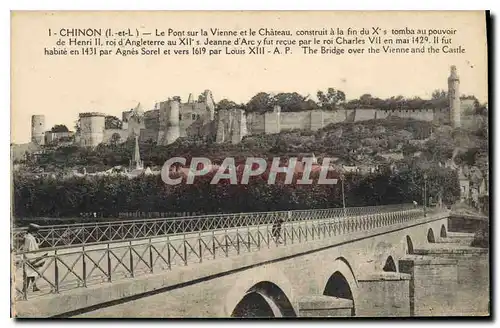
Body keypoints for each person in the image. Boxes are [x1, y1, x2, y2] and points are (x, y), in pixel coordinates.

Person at [22, 224, 45, 292]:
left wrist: (37, 244)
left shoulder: (28, 236)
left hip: (30, 256)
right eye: (36, 232)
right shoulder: (29, 238)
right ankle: (25, 288)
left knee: (32, 272)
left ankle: (33, 286)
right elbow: (27, 248)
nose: (37, 233)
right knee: (28, 273)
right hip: (29, 257)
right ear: (33, 231)